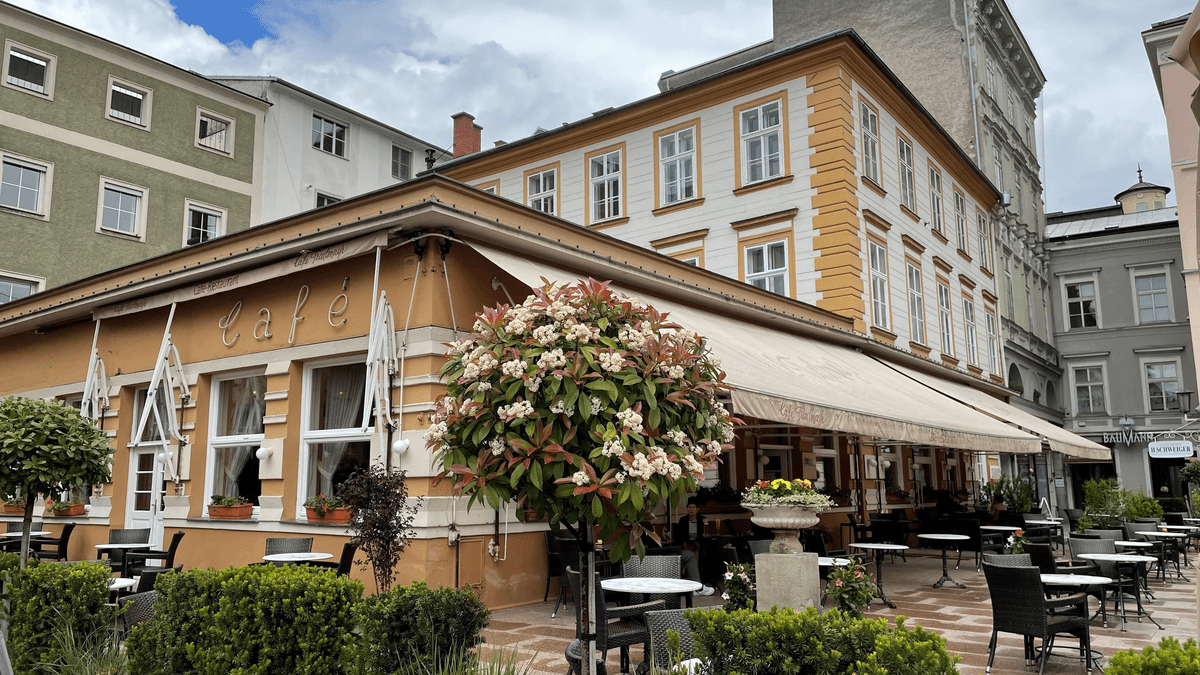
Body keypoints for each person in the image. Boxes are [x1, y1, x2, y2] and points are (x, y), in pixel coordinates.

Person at [671, 499, 715, 596]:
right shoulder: (683, 520)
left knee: (696, 546)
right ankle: (695, 581)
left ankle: (684, 571)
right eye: (689, 507)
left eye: (693, 507)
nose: (691, 509)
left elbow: (705, 535)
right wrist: (684, 543)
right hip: (686, 543)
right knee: (692, 548)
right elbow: (679, 536)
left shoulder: (702, 519)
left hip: (699, 543)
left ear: (697, 509)